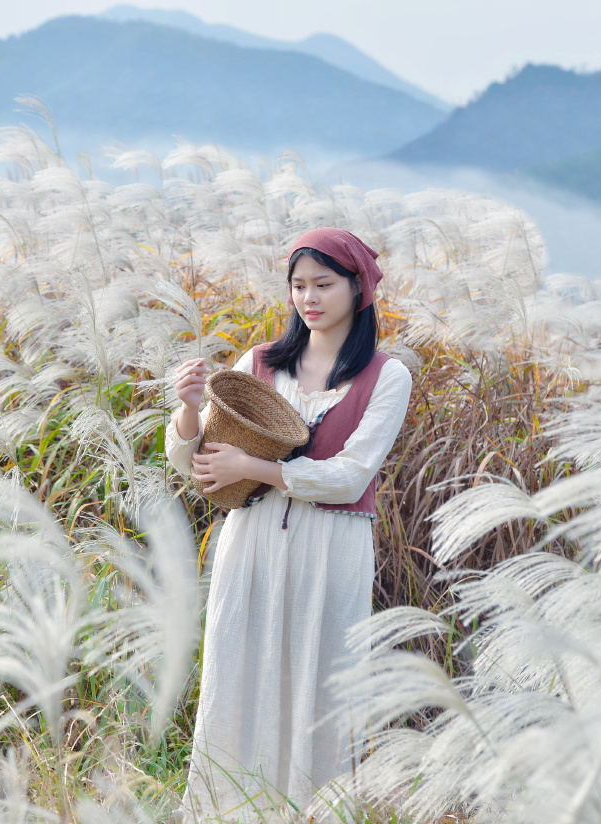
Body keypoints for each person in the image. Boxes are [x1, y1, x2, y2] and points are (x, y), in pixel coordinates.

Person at [165, 228, 412, 820]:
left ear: (359, 288)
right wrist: (191, 405)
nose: (309, 298)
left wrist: (254, 465)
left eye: (323, 284)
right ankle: (226, 808)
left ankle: (312, 809)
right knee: (238, 672)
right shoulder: (260, 364)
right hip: (251, 542)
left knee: (320, 682)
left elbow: (350, 477)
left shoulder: (387, 376)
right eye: (298, 285)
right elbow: (193, 460)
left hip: (330, 548)